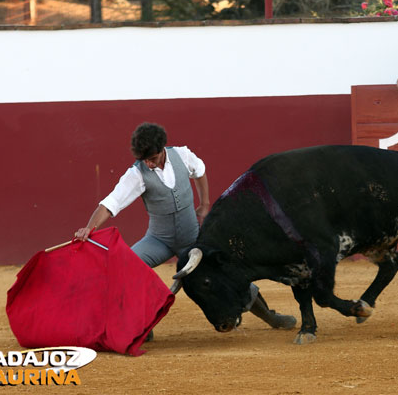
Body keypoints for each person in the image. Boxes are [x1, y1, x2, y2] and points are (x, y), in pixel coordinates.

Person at [75, 122, 296, 337]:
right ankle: (143, 324)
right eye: (144, 160)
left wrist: (205, 203)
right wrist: (88, 227)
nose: (149, 164)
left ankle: (269, 316)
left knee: (227, 272)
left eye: (152, 158)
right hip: (158, 240)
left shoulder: (182, 155)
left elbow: (199, 171)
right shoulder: (136, 173)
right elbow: (111, 203)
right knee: (126, 266)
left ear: (162, 149)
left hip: (193, 241)